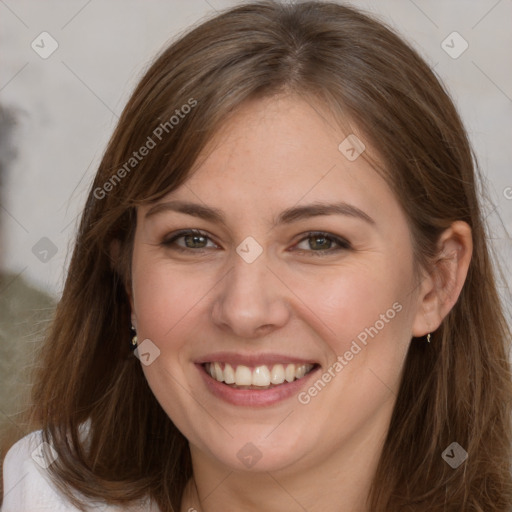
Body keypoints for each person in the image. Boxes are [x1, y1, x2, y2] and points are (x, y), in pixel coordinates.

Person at [1, 1, 511, 511]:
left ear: (435, 282)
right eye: (193, 239)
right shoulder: (37, 494)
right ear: (128, 276)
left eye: (319, 241)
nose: (244, 310)